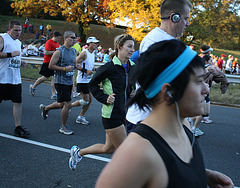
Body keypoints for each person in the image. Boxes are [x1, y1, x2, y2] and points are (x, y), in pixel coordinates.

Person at [95, 39, 234, 188]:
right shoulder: (136, 154)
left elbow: (169, 169)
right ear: (168, 92)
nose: (206, 90)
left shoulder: (184, 125)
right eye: (199, 81)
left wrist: (202, 174)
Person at [68, 34, 135, 170]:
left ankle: (78, 152)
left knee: (108, 148)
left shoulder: (132, 66)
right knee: (126, 153)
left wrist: (131, 91)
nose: (132, 50)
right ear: (119, 47)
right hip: (111, 115)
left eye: (133, 47)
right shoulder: (109, 67)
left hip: (124, 113)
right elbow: (92, 85)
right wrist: (105, 98)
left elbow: (128, 86)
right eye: (129, 46)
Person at [126, 0, 192, 133]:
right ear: (174, 17)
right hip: (146, 119)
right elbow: (156, 83)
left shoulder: (170, 41)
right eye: (185, 18)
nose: (188, 23)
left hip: (160, 119)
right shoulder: (155, 40)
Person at [39, 31, 77, 135]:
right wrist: (64, 69)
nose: (74, 40)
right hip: (60, 81)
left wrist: (86, 70)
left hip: (69, 81)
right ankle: (63, 126)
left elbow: (74, 65)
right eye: (72, 37)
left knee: (62, 104)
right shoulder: (59, 51)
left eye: (75, 38)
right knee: (67, 103)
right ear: (66, 38)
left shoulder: (74, 51)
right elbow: (51, 65)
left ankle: (45, 108)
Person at [0, 20, 30, 138]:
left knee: (17, 102)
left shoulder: (18, 42)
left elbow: (15, 56)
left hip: (15, 78)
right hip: (2, 78)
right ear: (9, 29)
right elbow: (9, 54)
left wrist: (20, 62)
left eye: (20, 30)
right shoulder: (3, 38)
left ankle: (18, 126)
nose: (18, 33)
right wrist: (10, 54)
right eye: (15, 30)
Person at [70, 37, 99, 125]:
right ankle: (68, 106)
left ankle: (80, 117)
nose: (96, 45)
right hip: (82, 80)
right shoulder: (84, 53)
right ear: (89, 44)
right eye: (94, 43)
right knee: (85, 101)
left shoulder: (92, 53)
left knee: (89, 100)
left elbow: (87, 65)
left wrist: (94, 69)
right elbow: (75, 64)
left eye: (97, 43)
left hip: (88, 80)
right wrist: (85, 71)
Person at [29, 31, 62, 99]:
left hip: (54, 63)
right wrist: (55, 52)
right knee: (45, 78)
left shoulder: (57, 43)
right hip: (47, 62)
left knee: (54, 78)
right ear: (54, 36)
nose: (59, 40)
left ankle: (53, 93)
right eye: (58, 38)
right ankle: (33, 86)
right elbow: (46, 52)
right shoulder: (49, 42)